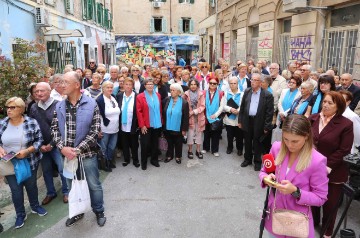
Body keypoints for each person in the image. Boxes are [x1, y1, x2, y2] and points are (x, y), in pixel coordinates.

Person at [51, 71, 106, 227]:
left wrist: (77, 150)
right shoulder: (60, 105)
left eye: (65, 82)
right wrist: (62, 148)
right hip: (66, 156)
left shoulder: (91, 103)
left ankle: (99, 210)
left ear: (76, 85)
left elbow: (95, 130)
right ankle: (77, 212)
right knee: (71, 185)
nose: (61, 85)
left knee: (94, 184)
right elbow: (54, 128)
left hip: (87, 154)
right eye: (60, 82)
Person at [259, 114, 329, 238]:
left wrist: (296, 191)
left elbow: (320, 198)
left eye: (295, 141)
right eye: (286, 139)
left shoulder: (317, 160)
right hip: (274, 216)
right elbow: (264, 171)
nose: (290, 145)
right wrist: (266, 178)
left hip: (297, 222)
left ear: (306, 136)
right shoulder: (277, 147)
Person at [308, 91, 353, 238]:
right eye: (324, 102)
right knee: (312, 199)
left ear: (338, 106)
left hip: (333, 171)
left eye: (330, 103)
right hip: (312, 169)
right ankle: (312, 225)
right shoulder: (313, 119)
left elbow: (344, 150)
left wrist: (326, 166)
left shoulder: (346, 124)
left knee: (329, 205)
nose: (325, 105)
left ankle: (327, 232)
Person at [0, 97, 47, 229]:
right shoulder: (2, 123)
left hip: (29, 160)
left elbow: (39, 140)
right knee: (16, 190)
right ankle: (20, 214)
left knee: (31, 186)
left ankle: (35, 206)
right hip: (10, 164)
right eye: (7, 107)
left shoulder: (31, 122)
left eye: (12, 107)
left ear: (21, 109)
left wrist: (27, 151)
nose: (8, 110)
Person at [29, 82, 69, 205]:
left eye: (42, 91)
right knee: (46, 170)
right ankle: (50, 192)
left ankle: (66, 191)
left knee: (62, 169)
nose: (39, 93)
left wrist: (52, 144)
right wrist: (39, 145)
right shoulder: (33, 108)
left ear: (49, 90)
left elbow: (63, 127)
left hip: (57, 145)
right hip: (41, 147)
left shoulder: (59, 105)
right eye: (37, 92)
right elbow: (32, 128)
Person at [238, 73, 274, 171]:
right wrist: (240, 120)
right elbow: (242, 107)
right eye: (252, 80)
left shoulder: (267, 95)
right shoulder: (247, 91)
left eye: (255, 80)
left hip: (259, 122)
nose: (252, 82)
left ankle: (257, 161)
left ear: (261, 83)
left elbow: (269, 112)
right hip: (247, 120)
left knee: (257, 142)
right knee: (248, 141)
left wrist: (267, 126)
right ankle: (247, 159)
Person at [136, 79, 162, 170]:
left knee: (155, 143)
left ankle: (154, 160)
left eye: (152, 84)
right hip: (145, 124)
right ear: (145, 86)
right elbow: (139, 112)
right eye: (148, 84)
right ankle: (144, 162)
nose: (150, 86)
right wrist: (142, 125)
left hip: (156, 124)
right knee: (145, 144)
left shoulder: (158, 95)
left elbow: (160, 110)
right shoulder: (140, 96)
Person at [96, 81, 121, 172]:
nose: (110, 89)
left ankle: (109, 161)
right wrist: (98, 130)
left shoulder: (113, 97)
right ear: (103, 89)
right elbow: (96, 116)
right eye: (108, 87)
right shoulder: (100, 100)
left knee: (112, 147)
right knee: (103, 148)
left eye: (111, 87)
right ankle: (104, 164)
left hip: (115, 128)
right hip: (104, 129)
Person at [163, 83, 189, 164]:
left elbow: (186, 117)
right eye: (171, 90)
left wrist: (184, 129)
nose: (171, 92)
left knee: (178, 143)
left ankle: (178, 156)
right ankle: (169, 155)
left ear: (178, 92)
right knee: (169, 142)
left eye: (173, 90)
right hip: (167, 126)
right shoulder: (167, 99)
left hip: (179, 127)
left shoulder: (184, 103)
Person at [117, 78, 140, 167]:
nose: (128, 86)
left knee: (134, 143)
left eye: (130, 84)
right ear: (123, 85)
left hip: (133, 124)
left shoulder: (137, 96)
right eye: (126, 84)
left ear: (133, 86)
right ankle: (126, 159)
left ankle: (135, 160)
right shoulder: (119, 95)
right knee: (125, 143)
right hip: (122, 124)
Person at [201, 77, 224, 157]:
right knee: (206, 133)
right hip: (206, 115)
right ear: (208, 83)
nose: (212, 85)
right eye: (211, 83)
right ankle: (205, 148)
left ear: (217, 84)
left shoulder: (221, 93)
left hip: (216, 117)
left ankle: (215, 150)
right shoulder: (203, 93)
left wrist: (216, 115)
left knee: (216, 134)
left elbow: (222, 106)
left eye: (214, 83)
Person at [183, 79, 205, 159]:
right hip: (189, 117)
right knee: (190, 134)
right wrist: (188, 113)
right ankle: (190, 150)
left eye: (194, 84)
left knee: (199, 134)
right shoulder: (185, 94)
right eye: (191, 84)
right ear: (189, 85)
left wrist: (193, 111)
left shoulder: (201, 94)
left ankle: (198, 150)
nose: (193, 86)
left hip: (199, 116)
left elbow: (202, 106)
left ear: (197, 85)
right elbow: (183, 105)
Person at [221, 76, 243, 155]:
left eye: (234, 83)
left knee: (239, 135)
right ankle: (230, 147)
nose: (233, 85)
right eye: (231, 83)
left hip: (238, 118)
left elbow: (243, 105)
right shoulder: (226, 93)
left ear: (237, 84)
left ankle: (239, 148)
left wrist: (238, 110)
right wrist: (230, 109)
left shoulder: (242, 94)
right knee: (229, 135)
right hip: (229, 118)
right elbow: (223, 105)